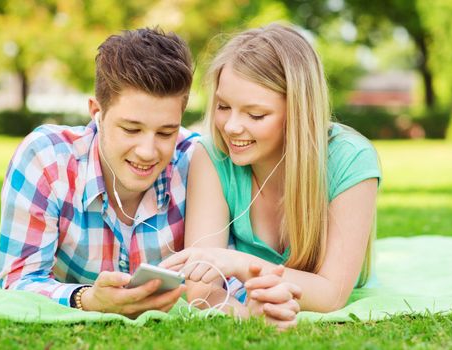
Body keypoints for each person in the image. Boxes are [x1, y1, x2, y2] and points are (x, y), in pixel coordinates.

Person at [160, 23, 382, 315]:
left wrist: (238, 264)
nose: (231, 126)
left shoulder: (350, 159)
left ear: (298, 112)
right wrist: (247, 316)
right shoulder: (211, 155)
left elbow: (331, 294)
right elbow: (201, 290)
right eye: (223, 107)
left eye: (255, 114)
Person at [0, 28, 197, 317]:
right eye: (131, 129)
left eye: (166, 132)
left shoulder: (195, 161)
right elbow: (19, 279)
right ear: (96, 113)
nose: (148, 151)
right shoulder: (46, 160)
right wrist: (86, 299)